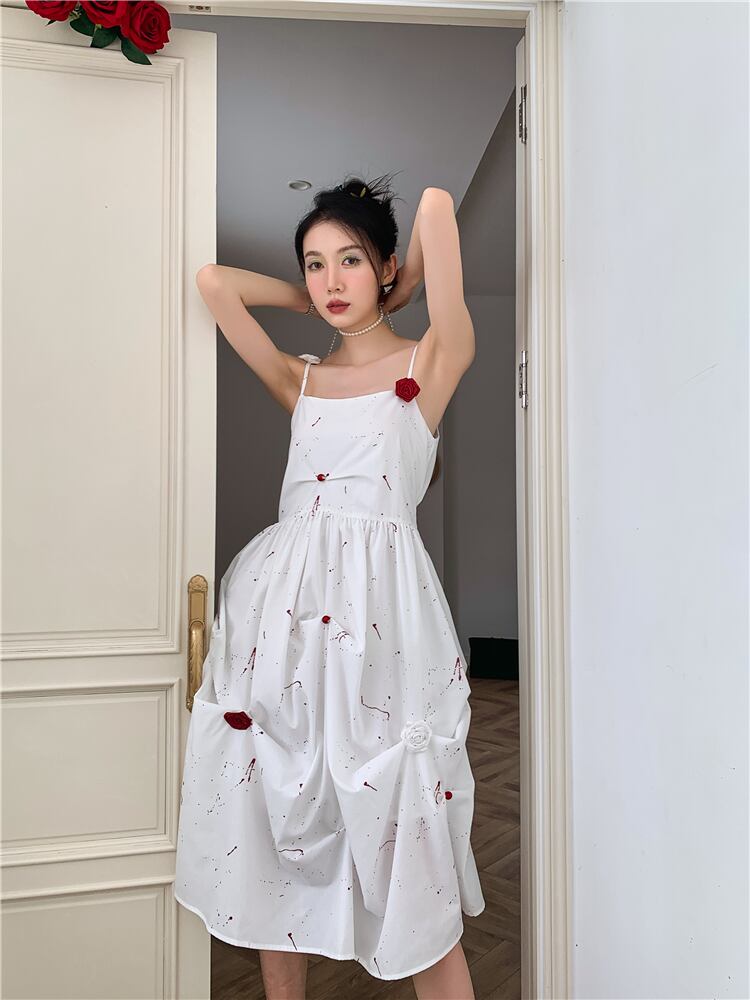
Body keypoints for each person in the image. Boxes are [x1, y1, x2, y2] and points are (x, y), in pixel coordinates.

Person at [174, 174, 484, 999]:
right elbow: (214, 284)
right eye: (315, 265)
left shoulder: (432, 360)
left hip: (383, 629)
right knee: (276, 811)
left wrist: (402, 284)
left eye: (350, 260)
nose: (330, 280)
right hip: (279, 625)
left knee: (403, 820)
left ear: (386, 266)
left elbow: (436, 205)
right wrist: (307, 300)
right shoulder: (300, 378)